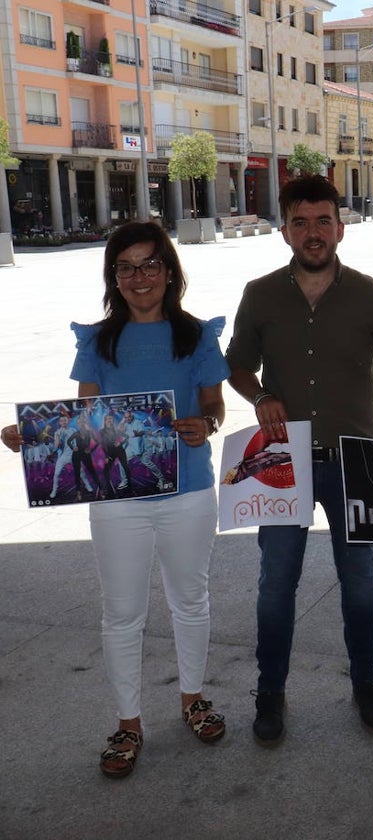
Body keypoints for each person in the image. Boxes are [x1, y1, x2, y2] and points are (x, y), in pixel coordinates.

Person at [4, 221, 230, 778]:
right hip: (115, 497)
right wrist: (37, 436)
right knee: (122, 613)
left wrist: (204, 424)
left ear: (170, 271)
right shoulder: (98, 341)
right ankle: (128, 723)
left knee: (191, 601)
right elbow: (86, 422)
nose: (138, 276)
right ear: (113, 277)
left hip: (189, 491)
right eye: (125, 267)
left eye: (150, 263)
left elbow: (214, 406)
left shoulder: (196, 335)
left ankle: (192, 698)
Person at [225, 175, 373, 745]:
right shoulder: (260, 294)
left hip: (357, 460)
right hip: (283, 460)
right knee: (276, 584)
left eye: (323, 221)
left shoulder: (371, 296)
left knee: (360, 581)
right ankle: (270, 691)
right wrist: (260, 396)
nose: (313, 232)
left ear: (341, 227)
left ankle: (366, 684)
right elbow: (237, 365)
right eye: (301, 222)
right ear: (285, 231)